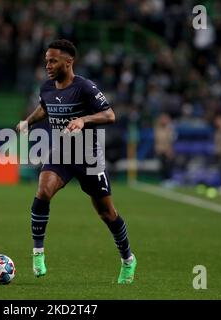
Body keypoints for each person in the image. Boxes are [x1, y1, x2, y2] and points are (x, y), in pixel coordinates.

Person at [16, 39, 137, 284]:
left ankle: (127, 259)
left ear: (68, 62)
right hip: (61, 152)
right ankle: (38, 252)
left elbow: (110, 115)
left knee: (107, 213)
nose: (47, 65)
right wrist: (28, 122)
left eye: (53, 60)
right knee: (43, 191)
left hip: (88, 156)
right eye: (46, 60)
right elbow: (44, 108)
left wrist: (83, 120)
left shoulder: (85, 87)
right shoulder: (47, 87)